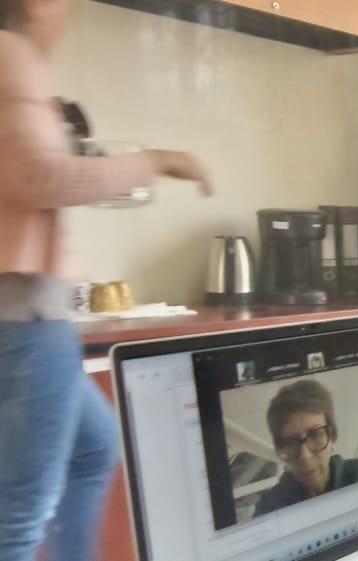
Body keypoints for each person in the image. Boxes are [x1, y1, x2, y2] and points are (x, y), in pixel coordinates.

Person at [0, 1, 210, 559]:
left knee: (93, 449)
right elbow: (41, 178)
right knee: (20, 513)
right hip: (23, 318)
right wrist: (155, 160)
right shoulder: (9, 52)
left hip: (26, 315)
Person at [254, 380, 358, 517]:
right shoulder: (270, 507)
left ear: (332, 437)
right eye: (290, 442)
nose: (305, 456)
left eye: (315, 435)